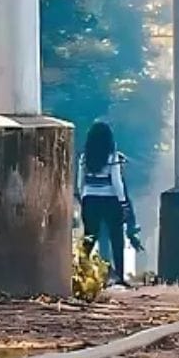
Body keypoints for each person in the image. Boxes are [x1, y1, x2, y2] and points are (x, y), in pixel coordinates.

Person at [77, 122, 143, 286]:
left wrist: (84, 197)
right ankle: (120, 276)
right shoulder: (113, 157)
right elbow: (117, 182)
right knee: (116, 238)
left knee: (90, 237)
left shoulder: (85, 158)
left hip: (90, 200)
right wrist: (123, 202)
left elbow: (80, 183)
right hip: (110, 200)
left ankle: (80, 272)